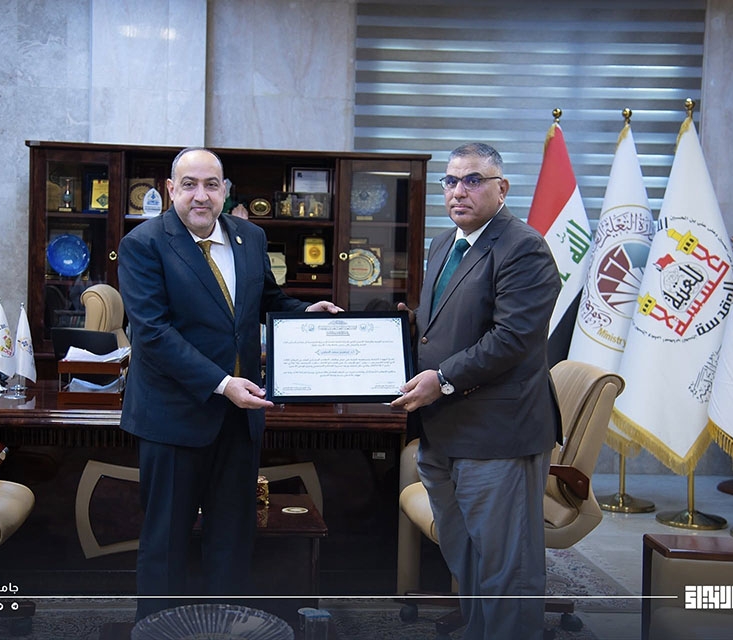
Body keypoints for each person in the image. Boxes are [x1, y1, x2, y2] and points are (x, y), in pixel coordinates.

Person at [117, 147, 340, 620]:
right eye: (190, 185)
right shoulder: (144, 244)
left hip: (239, 421)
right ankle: (158, 630)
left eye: (211, 185)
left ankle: (225, 627)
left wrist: (306, 313)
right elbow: (153, 334)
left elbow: (267, 300)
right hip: (173, 420)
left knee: (233, 542)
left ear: (225, 191)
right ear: (170, 190)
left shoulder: (249, 236)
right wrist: (222, 383)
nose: (201, 195)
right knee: (166, 546)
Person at [390, 142, 562, 639]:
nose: (458, 191)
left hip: (497, 434)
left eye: (472, 180)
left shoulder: (524, 247)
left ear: (501, 188)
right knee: (464, 552)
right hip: (443, 429)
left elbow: (512, 338)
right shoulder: (445, 242)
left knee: (508, 567)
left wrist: (442, 379)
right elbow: (442, 324)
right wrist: (391, 330)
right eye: (450, 181)